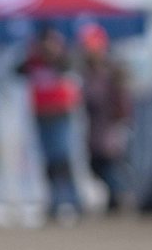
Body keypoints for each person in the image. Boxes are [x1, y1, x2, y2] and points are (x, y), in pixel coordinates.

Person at [18, 27, 83, 222]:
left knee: (62, 158)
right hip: (41, 116)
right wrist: (33, 52)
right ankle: (54, 202)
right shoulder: (34, 62)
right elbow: (18, 69)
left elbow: (68, 66)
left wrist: (56, 52)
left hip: (60, 115)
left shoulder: (63, 60)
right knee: (48, 161)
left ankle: (73, 201)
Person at [77, 24, 133, 213]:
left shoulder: (109, 73)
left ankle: (120, 195)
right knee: (98, 165)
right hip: (94, 128)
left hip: (107, 127)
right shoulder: (87, 72)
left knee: (107, 164)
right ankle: (115, 199)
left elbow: (118, 101)